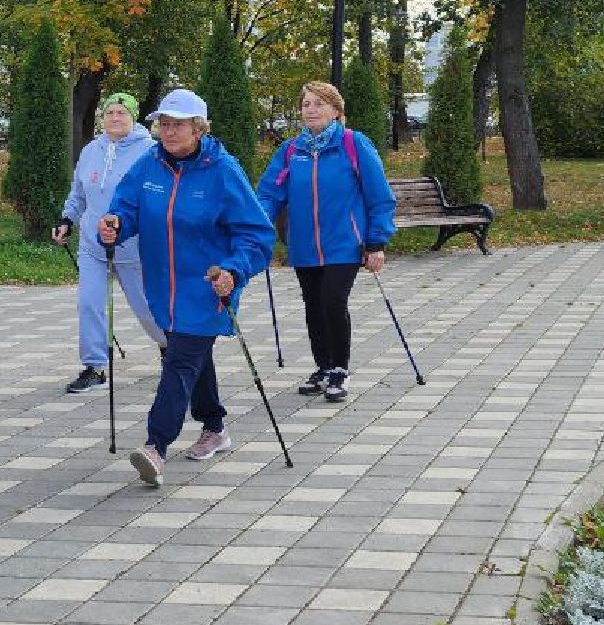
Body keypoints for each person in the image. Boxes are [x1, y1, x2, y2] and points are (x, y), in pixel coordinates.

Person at [100, 89, 275, 482]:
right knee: (188, 356)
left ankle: (155, 446)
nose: (168, 131)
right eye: (163, 123)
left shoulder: (223, 171)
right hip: (163, 288)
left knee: (179, 360)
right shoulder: (149, 165)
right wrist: (115, 225)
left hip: (208, 288)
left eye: (177, 124)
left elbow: (257, 235)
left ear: (199, 128)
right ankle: (215, 426)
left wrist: (234, 269)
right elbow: (126, 208)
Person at [255, 81, 397, 403]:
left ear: (335, 110)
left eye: (319, 103)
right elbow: (268, 193)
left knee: (333, 300)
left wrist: (376, 242)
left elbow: (379, 196)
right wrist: (257, 228)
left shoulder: (353, 144)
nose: (311, 109)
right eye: (306, 104)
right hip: (304, 245)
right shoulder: (292, 151)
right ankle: (322, 367)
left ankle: (339, 370)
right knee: (313, 306)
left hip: (345, 243)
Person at [53, 92, 166, 393]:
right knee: (89, 303)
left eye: (122, 113)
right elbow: (78, 193)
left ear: (133, 117)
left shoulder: (150, 151)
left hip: (132, 245)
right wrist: (66, 220)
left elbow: (156, 197)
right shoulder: (92, 149)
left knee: (146, 308)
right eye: (109, 113)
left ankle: (170, 348)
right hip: (93, 244)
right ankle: (94, 367)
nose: (115, 118)